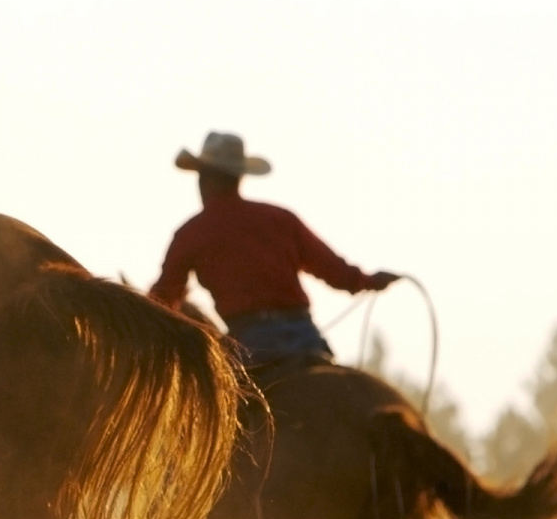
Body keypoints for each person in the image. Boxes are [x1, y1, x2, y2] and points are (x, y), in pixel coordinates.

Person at [149, 131, 398, 365]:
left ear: (204, 179)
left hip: (248, 343)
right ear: (238, 177)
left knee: (223, 408)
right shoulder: (280, 219)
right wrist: (370, 281)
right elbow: (336, 271)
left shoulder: (192, 233)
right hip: (304, 335)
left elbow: (163, 300)